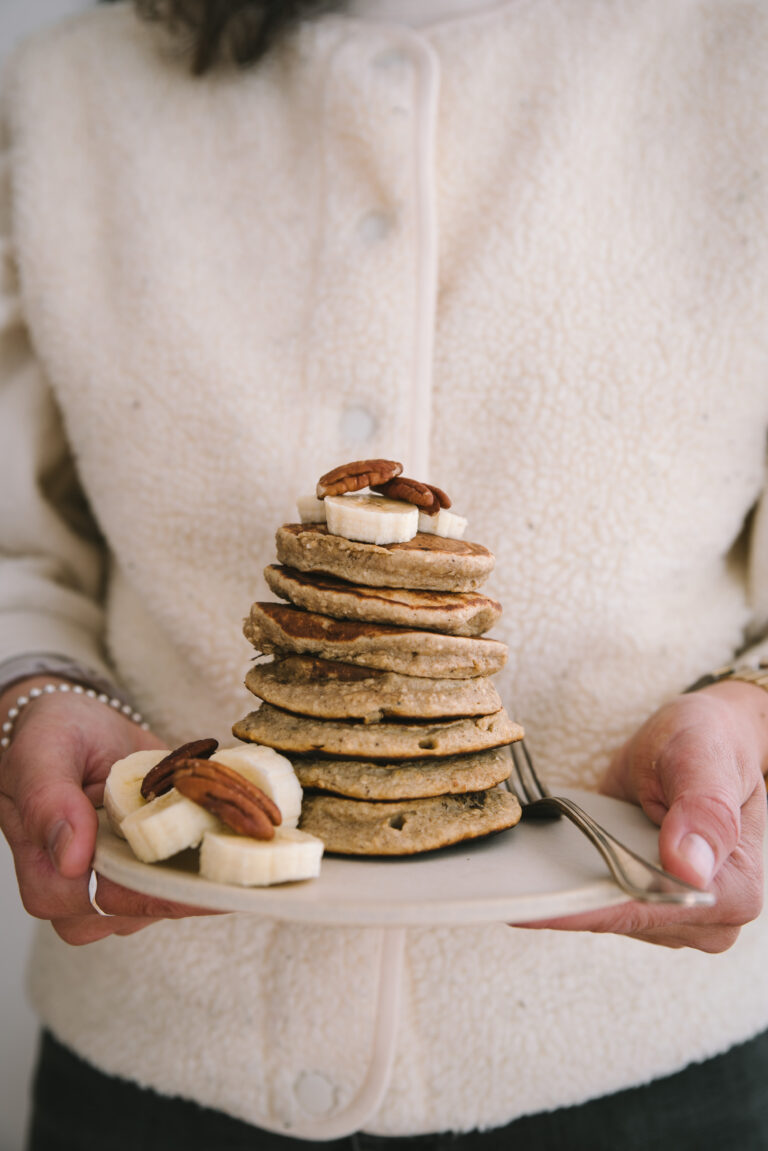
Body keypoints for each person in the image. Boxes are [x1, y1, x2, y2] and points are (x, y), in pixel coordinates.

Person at [1, 0, 768, 1146]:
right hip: (152, 1074)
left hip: (654, 1082)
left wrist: (749, 717)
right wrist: (37, 689)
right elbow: (21, 541)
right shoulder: (66, 91)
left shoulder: (742, 60)